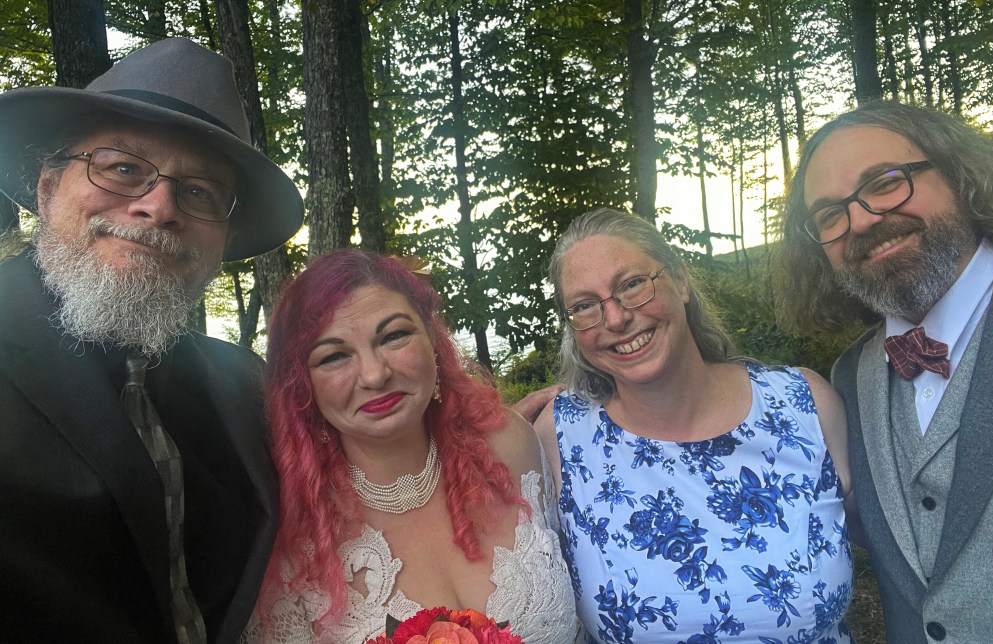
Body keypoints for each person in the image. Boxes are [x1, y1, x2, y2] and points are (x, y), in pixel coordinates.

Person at [0, 38, 303, 642]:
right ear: (46, 190)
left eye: (199, 193)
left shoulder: (246, 384)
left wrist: (527, 428)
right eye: (121, 168)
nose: (159, 206)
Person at [535, 208, 854, 643]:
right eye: (585, 306)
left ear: (681, 281)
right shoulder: (560, 438)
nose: (615, 319)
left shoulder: (804, 405)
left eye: (631, 285)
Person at [773, 101, 993, 643]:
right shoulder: (849, 379)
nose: (860, 220)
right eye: (830, 215)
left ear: (960, 174)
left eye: (885, 182)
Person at [245, 250, 575, 643]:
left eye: (394, 336)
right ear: (303, 387)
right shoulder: (291, 535)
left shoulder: (511, 447)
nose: (374, 374)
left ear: (433, 340)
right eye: (334, 356)